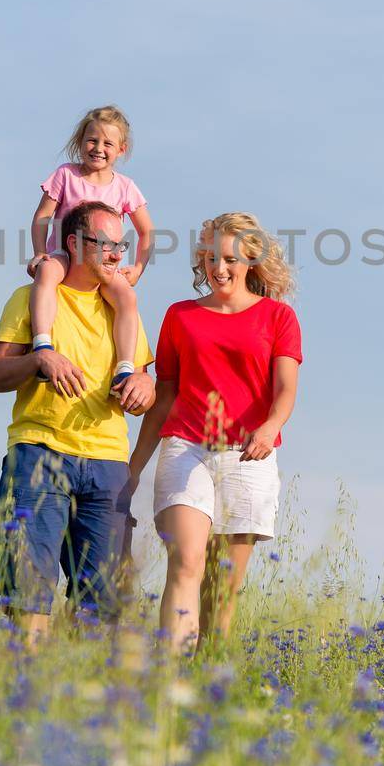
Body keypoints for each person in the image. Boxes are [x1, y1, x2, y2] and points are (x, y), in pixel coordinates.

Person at [125, 212, 302, 653]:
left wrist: (269, 427)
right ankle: (170, 679)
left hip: (248, 456)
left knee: (220, 594)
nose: (219, 269)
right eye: (210, 258)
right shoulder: (181, 316)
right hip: (186, 448)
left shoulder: (278, 318)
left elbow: (284, 392)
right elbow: (164, 395)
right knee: (186, 563)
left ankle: (204, 689)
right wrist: (133, 467)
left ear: (251, 262)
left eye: (230, 259)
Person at [0, 200, 156, 639]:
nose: (118, 255)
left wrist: (143, 390)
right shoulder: (30, 299)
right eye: (106, 245)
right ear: (75, 244)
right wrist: (40, 359)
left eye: (122, 245)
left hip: (108, 465)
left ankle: (83, 698)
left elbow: (145, 382)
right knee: (27, 589)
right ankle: (26, 692)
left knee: (102, 602)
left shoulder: (124, 312)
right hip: (39, 454)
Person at [27, 105, 154, 394]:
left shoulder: (124, 187)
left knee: (126, 298)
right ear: (80, 141)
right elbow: (42, 216)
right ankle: (42, 342)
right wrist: (39, 252)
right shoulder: (66, 175)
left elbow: (147, 231)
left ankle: (123, 370)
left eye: (107, 143)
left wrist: (137, 267)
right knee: (46, 273)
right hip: (65, 256)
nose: (98, 148)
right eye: (92, 140)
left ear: (121, 149)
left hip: (101, 265)